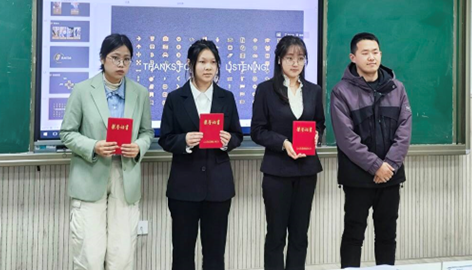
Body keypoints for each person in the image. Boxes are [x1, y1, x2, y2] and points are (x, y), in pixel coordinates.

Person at [60, 33, 154, 270]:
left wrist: (139, 147)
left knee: (122, 257)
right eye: (115, 57)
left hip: (125, 176)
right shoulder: (82, 90)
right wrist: (94, 146)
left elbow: (146, 132)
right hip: (90, 175)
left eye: (127, 59)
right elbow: (67, 133)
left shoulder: (140, 93)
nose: (121, 64)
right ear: (102, 58)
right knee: (89, 257)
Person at [159, 39, 243, 270]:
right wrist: (184, 141)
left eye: (213, 62)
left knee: (215, 254)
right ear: (190, 64)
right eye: (202, 62)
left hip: (218, 187)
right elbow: (165, 138)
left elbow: (237, 134)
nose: (208, 67)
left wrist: (227, 141)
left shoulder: (227, 97)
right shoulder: (176, 98)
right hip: (184, 187)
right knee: (183, 253)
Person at [329, 32, 412, 268]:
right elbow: (346, 138)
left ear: (381, 54)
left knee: (387, 234)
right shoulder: (341, 92)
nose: (371, 57)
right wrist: (376, 166)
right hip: (358, 177)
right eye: (365, 53)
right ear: (353, 57)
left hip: (390, 176)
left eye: (375, 52)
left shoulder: (397, 88)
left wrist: (390, 166)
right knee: (353, 234)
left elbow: (404, 130)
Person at [251, 35, 325, 270]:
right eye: (290, 58)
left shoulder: (314, 91)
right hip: (277, 172)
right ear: (279, 59)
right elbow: (257, 131)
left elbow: (320, 123)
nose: (295, 63)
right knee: (276, 235)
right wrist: (283, 143)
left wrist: (317, 135)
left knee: (300, 235)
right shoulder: (265, 90)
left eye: (300, 58)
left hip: (306, 171)